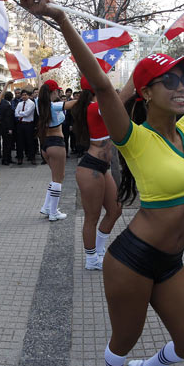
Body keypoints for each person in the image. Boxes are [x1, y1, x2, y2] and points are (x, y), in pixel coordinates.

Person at [20, 0, 184, 366]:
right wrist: (62, 18)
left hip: (172, 261)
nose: (182, 86)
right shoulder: (133, 137)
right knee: (124, 338)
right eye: (170, 81)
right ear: (146, 92)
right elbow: (100, 84)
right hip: (133, 260)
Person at [72, 77, 122, 270]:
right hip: (90, 167)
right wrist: (134, 81)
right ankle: (91, 258)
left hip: (102, 168)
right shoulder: (94, 107)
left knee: (116, 209)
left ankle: (99, 251)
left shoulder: (95, 106)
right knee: (91, 217)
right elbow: (119, 102)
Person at [36, 80, 78, 221]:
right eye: (57, 92)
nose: (59, 94)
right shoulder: (53, 106)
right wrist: (85, 96)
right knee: (59, 179)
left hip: (45, 145)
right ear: (53, 92)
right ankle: (53, 212)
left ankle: (47, 207)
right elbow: (72, 104)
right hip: (56, 144)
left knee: (55, 178)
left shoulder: (39, 103)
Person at [14, 89, 36, 165]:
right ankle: (20, 158)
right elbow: (16, 114)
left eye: (25, 95)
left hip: (29, 124)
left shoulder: (31, 103)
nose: (24, 96)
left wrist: (20, 113)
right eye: (22, 95)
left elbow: (27, 113)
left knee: (30, 142)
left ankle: (32, 157)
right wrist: (21, 113)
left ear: (28, 95)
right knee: (19, 142)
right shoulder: (20, 104)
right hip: (20, 124)